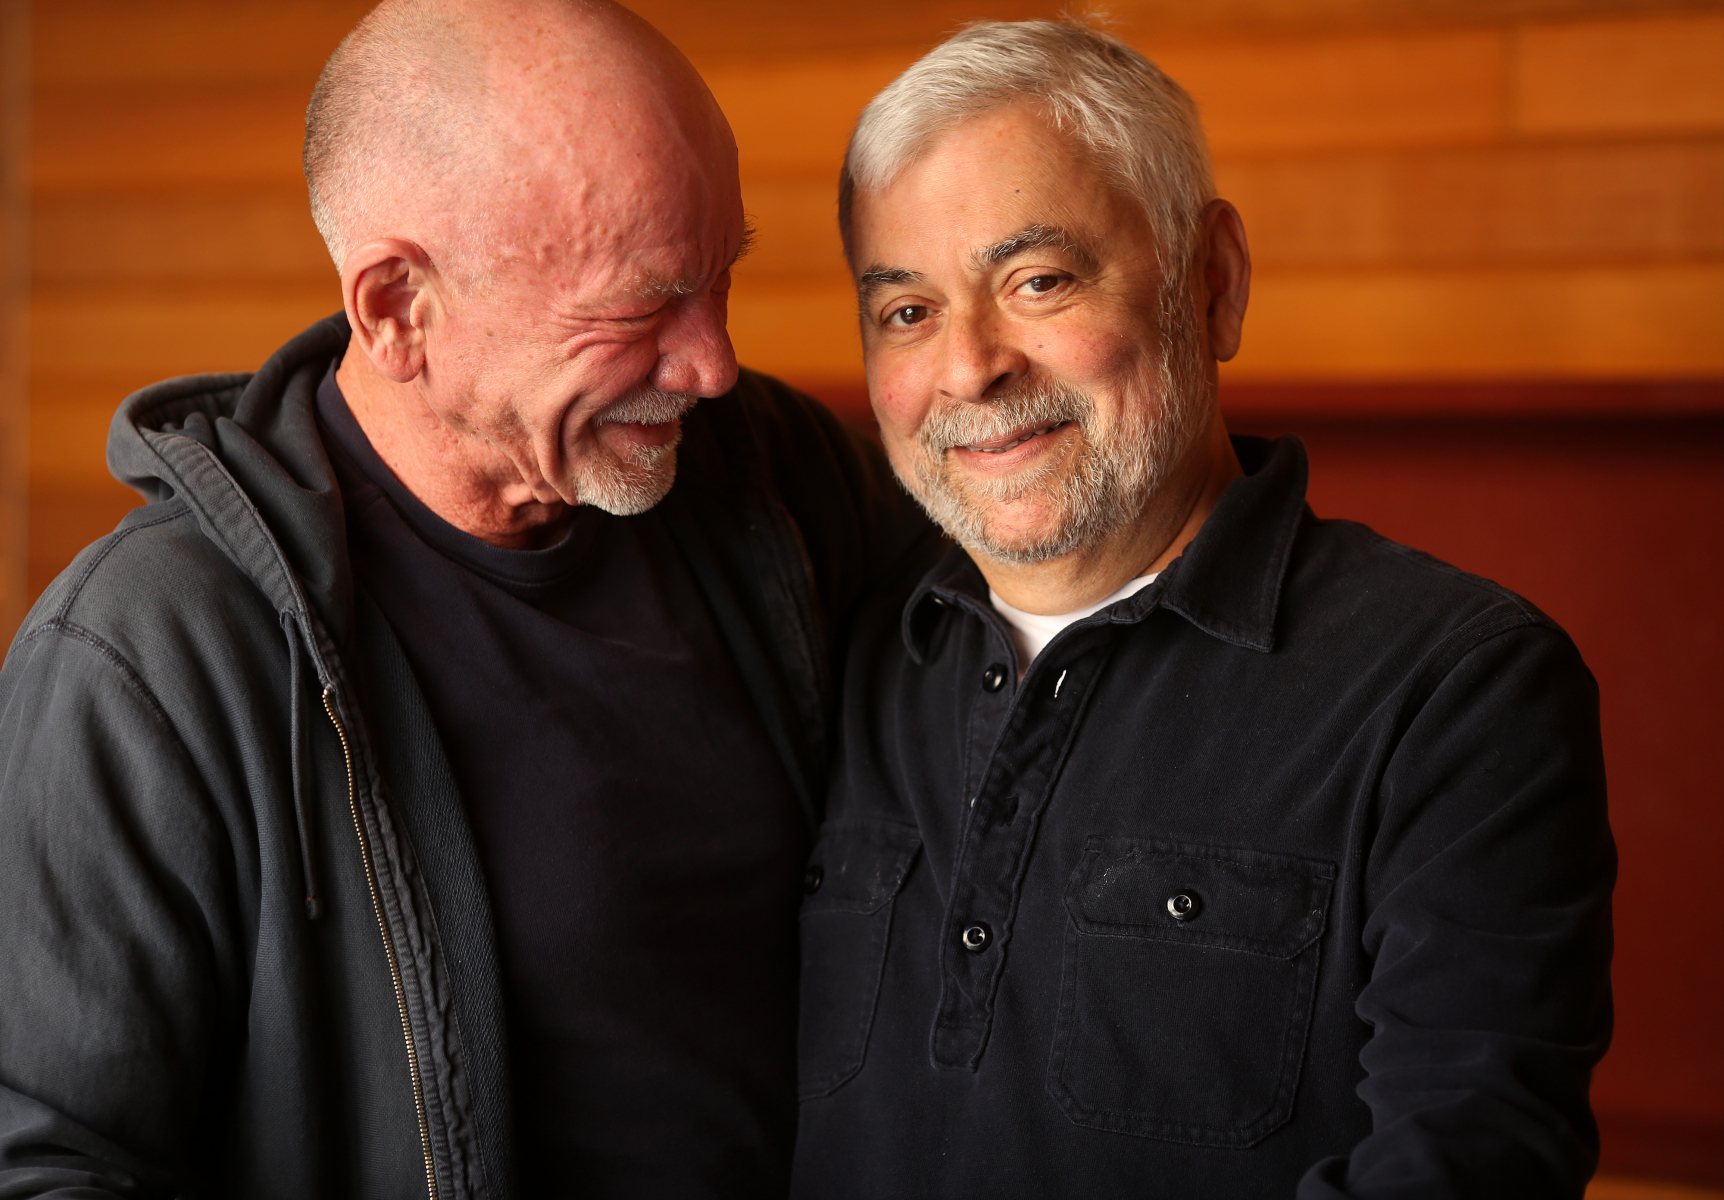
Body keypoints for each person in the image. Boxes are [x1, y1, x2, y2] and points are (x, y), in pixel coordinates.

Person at [0, 1, 934, 1196]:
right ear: (397, 311)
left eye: (721, 278)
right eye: (643, 305)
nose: (711, 364)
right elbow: (44, 1161)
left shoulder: (776, 481)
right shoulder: (148, 658)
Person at [792, 19, 1614, 1199]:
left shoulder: (1455, 687)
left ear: (1212, 282)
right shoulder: (838, 656)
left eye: (1037, 281)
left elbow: (1469, 1165)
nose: (969, 368)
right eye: (906, 311)